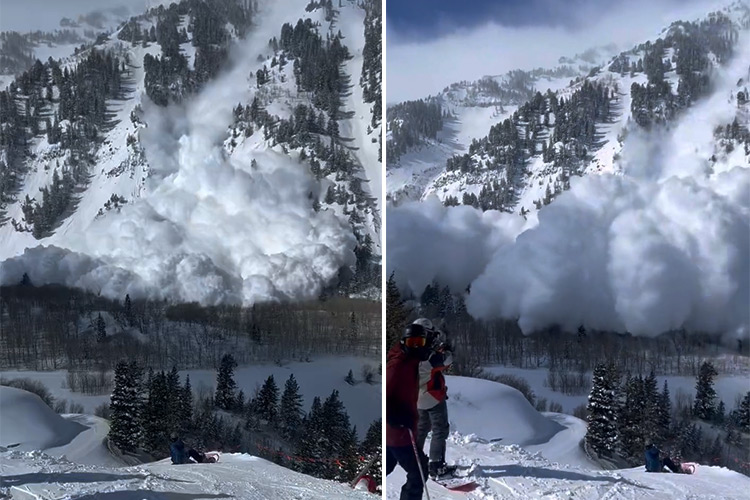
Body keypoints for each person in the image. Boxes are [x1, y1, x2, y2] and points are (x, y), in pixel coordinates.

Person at [386, 322, 432, 500]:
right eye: (412, 342)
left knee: (388, 465)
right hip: (399, 432)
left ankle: (368, 485)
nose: (415, 347)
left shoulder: (411, 362)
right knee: (418, 471)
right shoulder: (398, 365)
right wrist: (396, 415)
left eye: (419, 343)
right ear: (404, 342)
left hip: (399, 431)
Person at [414, 319, 454, 478]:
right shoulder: (429, 356)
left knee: (422, 428)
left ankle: (414, 460)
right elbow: (447, 361)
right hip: (432, 396)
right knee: (439, 429)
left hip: (416, 396)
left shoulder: (409, 351)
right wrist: (446, 351)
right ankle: (436, 465)